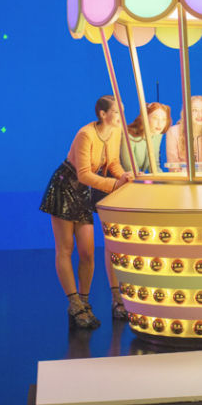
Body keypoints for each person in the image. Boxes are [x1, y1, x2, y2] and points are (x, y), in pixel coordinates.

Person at [39, 95, 131, 328]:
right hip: (64, 187)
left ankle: (85, 302)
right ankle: (74, 305)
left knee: (88, 253)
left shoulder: (116, 131)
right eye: (117, 112)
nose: (121, 116)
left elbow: (112, 163)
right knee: (66, 248)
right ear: (103, 114)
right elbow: (83, 175)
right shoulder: (86, 134)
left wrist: (125, 177)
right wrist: (115, 185)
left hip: (83, 192)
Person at [120, 102, 172, 174]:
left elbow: (154, 167)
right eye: (155, 118)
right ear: (144, 118)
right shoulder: (128, 136)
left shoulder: (157, 134)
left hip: (137, 177)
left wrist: (165, 179)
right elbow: (132, 171)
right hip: (119, 178)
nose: (160, 123)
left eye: (163, 119)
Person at [165, 95, 202, 165]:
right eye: (194, 110)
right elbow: (173, 163)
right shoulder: (173, 132)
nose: (200, 114)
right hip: (182, 172)